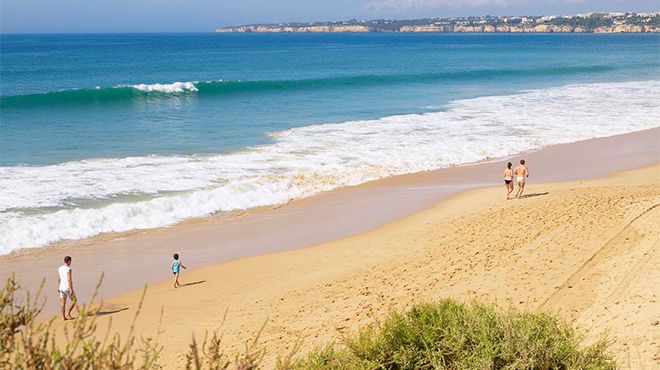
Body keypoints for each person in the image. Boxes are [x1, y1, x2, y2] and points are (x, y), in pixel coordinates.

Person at [58, 255, 78, 320]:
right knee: (74, 300)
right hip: (67, 288)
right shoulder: (68, 269)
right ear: (69, 261)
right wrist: (71, 289)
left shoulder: (60, 268)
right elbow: (69, 280)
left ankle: (63, 317)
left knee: (63, 303)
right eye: (70, 261)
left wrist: (59, 286)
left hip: (61, 288)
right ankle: (68, 313)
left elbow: (59, 279)